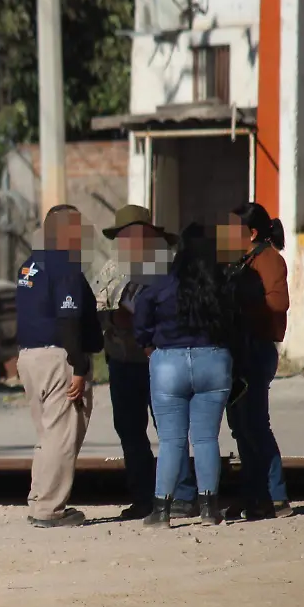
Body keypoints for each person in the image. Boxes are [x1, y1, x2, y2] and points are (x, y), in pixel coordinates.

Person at [93, 205, 198, 520]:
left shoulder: (169, 267)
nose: (127, 241)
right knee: (129, 430)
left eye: (134, 235)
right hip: (123, 362)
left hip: (162, 360)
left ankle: (182, 496)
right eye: (123, 236)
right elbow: (95, 310)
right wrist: (113, 317)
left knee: (170, 428)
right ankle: (143, 497)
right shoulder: (111, 270)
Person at [134, 222, 237, 527]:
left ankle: (161, 512)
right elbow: (235, 323)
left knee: (171, 441)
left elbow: (141, 317)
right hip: (214, 361)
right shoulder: (222, 282)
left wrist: (147, 343)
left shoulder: (163, 282)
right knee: (206, 438)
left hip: (169, 362)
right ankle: (209, 509)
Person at [16, 204, 104, 528]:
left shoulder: (31, 264)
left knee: (47, 434)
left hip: (30, 357)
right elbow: (68, 319)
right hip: (58, 358)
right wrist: (79, 366)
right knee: (62, 435)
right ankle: (50, 510)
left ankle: (39, 500)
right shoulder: (66, 265)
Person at [217, 202, 293, 520]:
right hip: (239, 350)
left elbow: (278, 303)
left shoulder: (269, 260)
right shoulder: (243, 259)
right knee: (241, 426)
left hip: (256, 350)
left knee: (256, 425)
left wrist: (240, 309)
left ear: (251, 233)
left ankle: (275, 496)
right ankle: (254, 494)